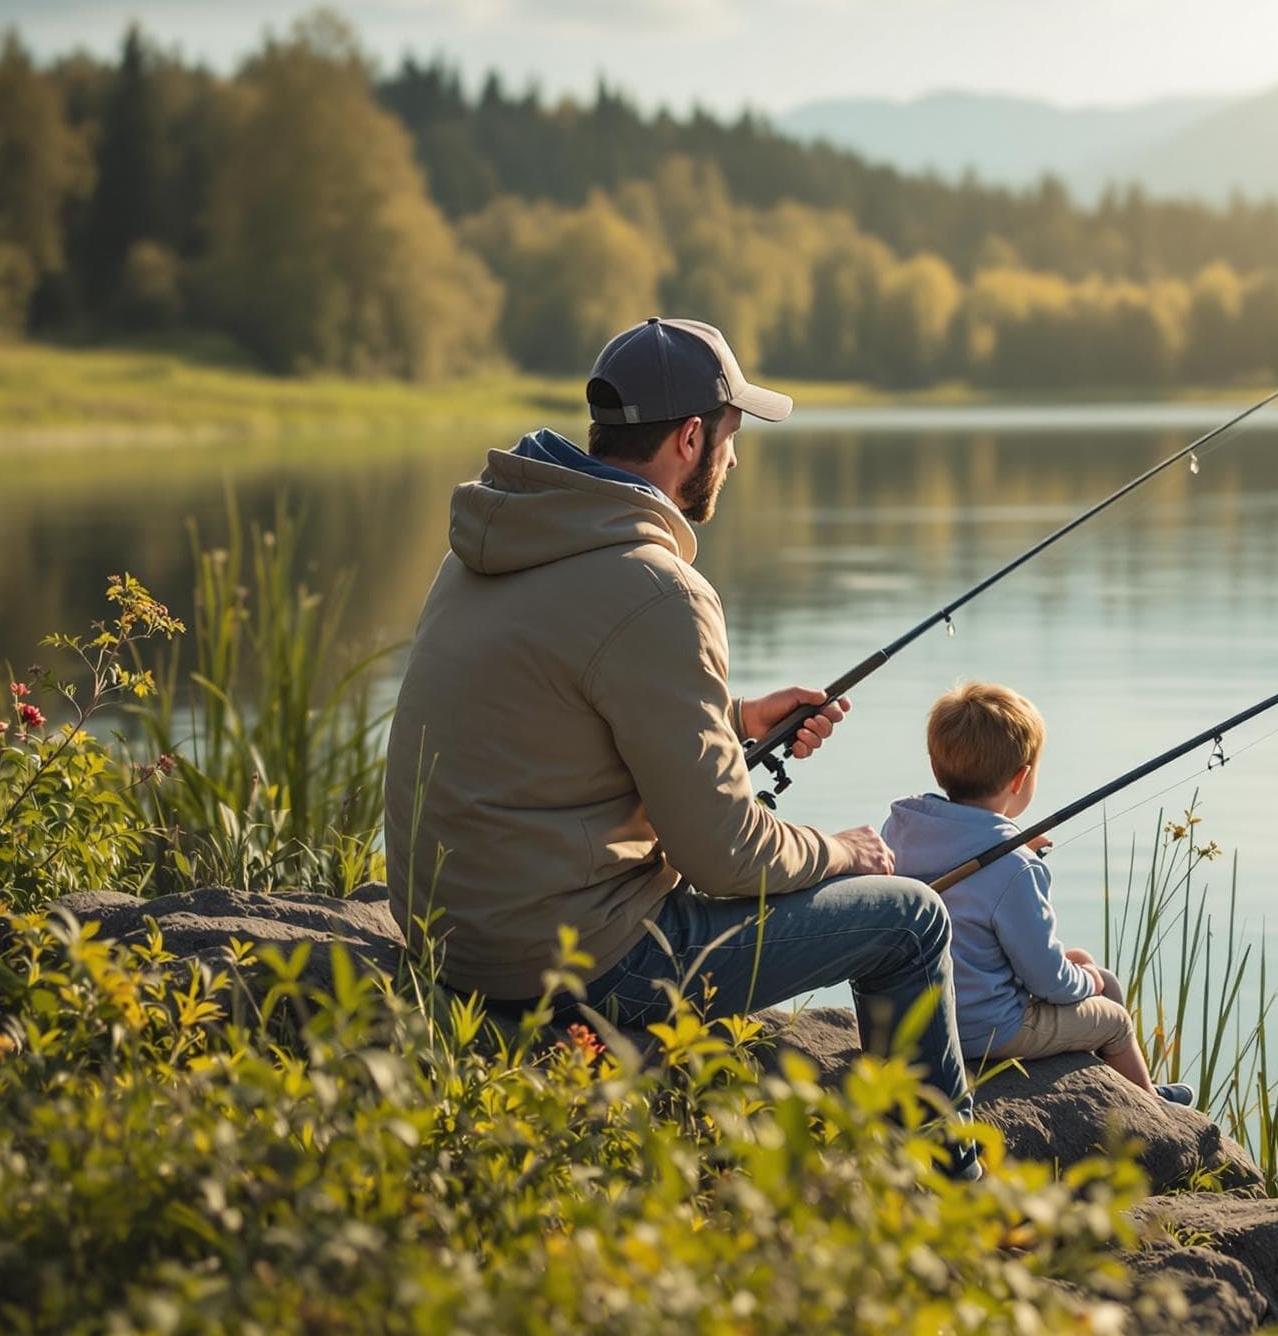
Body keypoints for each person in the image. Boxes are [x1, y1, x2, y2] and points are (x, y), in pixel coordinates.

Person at [382, 317, 971, 1125]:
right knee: (910, 917)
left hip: (453, 948)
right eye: (733, 435)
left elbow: (556, 713)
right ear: (692, 439)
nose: (735, 456)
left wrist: (732, 717)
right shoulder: (654, 589)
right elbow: (725, 855)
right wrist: (842, 853)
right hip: (566, 969)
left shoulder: (495, 540)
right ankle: (950, 1189)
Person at [881, 681, 1195, 1109]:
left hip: (912, 1021)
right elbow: (1046, 978)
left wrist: (1011, 845)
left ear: (937, 767)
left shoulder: (900, 827)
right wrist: (1088, 981)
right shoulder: (1015, 868)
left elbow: (958, 859)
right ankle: (1155, 1112)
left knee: (1084, 961)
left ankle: (1136, 1091)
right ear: (1021, 777)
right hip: (982, 1029)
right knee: (1114, 1016)